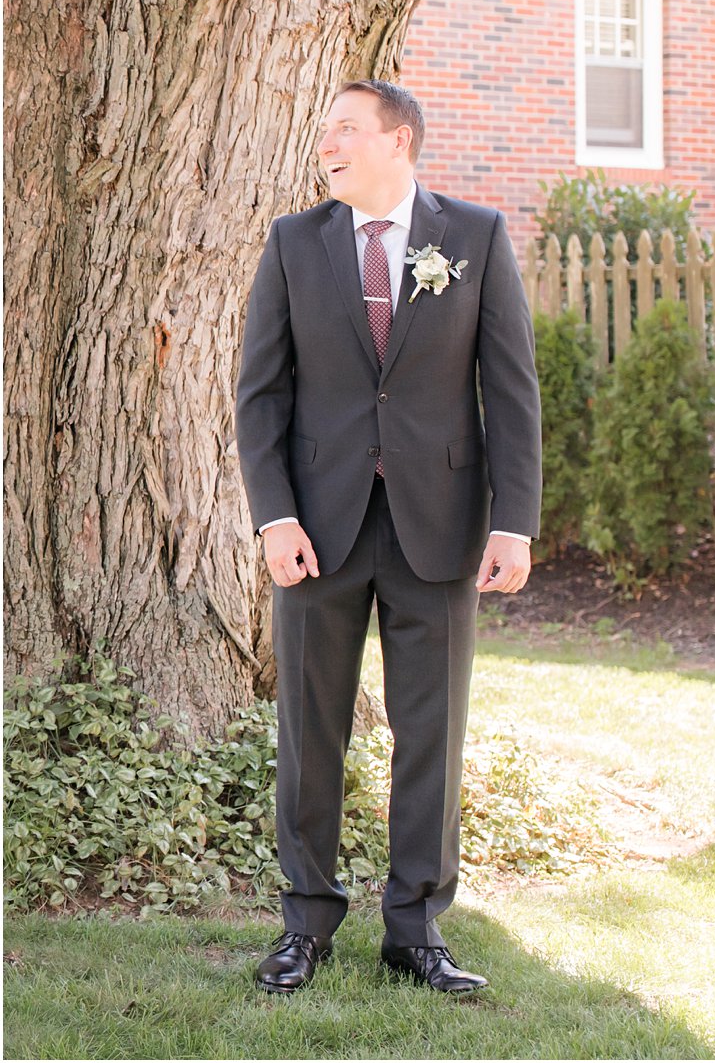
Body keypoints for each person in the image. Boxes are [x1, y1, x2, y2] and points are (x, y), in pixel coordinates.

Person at [235, 79, 541, 994]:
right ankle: (305, 925)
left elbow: (511, 390)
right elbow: (262, 393)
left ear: (398, 142)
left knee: (431, 733)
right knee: (309, 729)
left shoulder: (474, 236)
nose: (327, 144)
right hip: (316, 533)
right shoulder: (295, 242)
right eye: (325, 131)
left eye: (346, 130)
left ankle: (415, 931)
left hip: (439, 527)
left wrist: (513, 522)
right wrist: (274, 513)